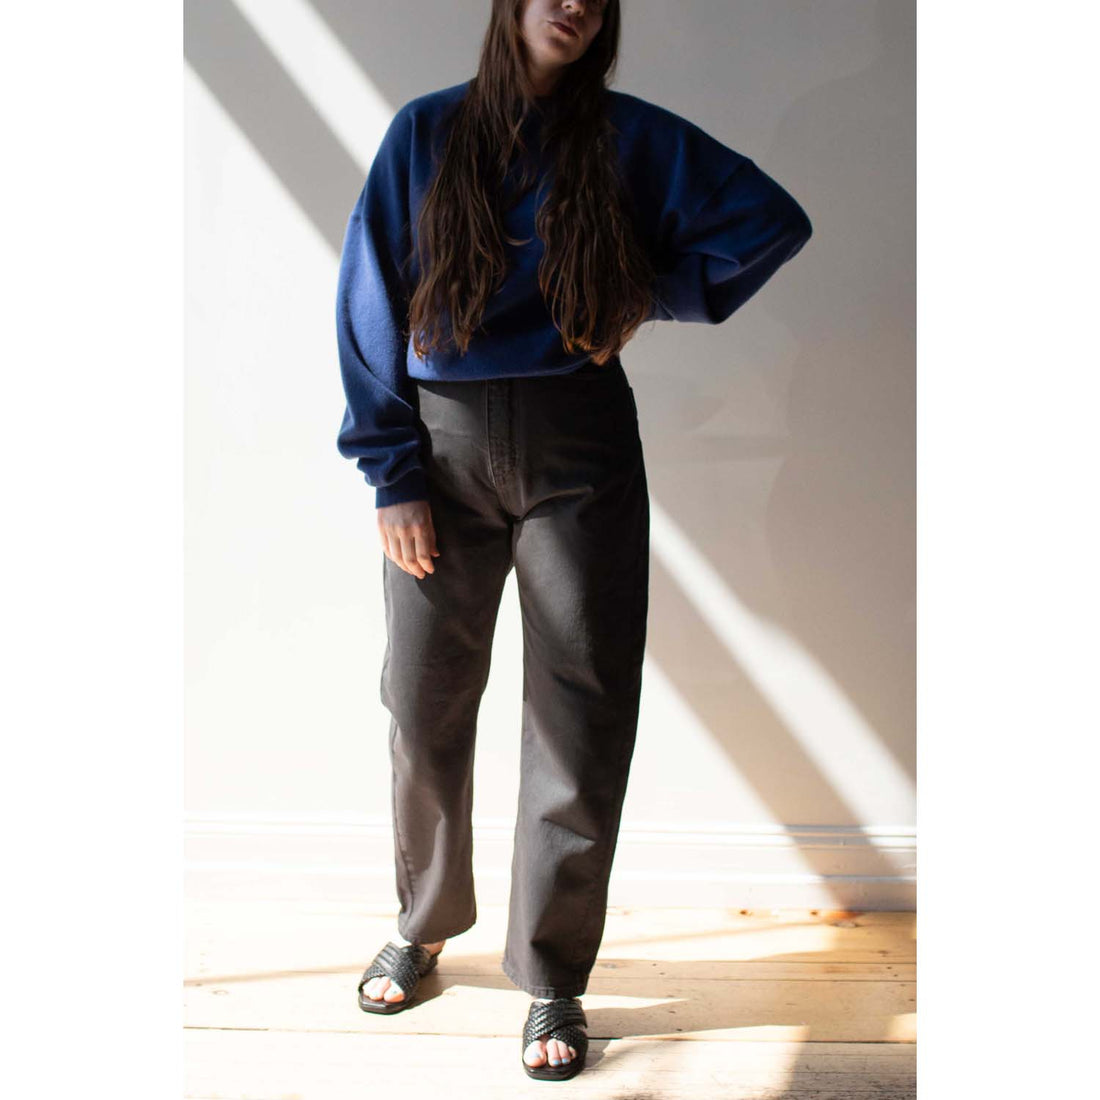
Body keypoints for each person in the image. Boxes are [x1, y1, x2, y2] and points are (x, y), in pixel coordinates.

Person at [335, 0, 812, 1081]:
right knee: (422, 695)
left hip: (578, 445)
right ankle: (424, 920)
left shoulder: (628, 137)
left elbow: (767, 220)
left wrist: (642, 290)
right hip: (441, 452)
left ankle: (551, 971)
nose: (575, 5)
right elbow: (369, 301)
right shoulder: (427, 132)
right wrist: (391, 473)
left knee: (580, 708)